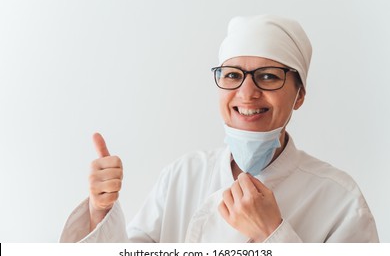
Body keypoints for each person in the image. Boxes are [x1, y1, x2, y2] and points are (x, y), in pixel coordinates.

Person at [60, 14, 379, 243]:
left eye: (268, 76)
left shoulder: (340, 200)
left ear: (300, 95)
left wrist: (273, 234)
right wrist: (99, 211)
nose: (247, 92)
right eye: (231, 75)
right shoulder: (182, 176)